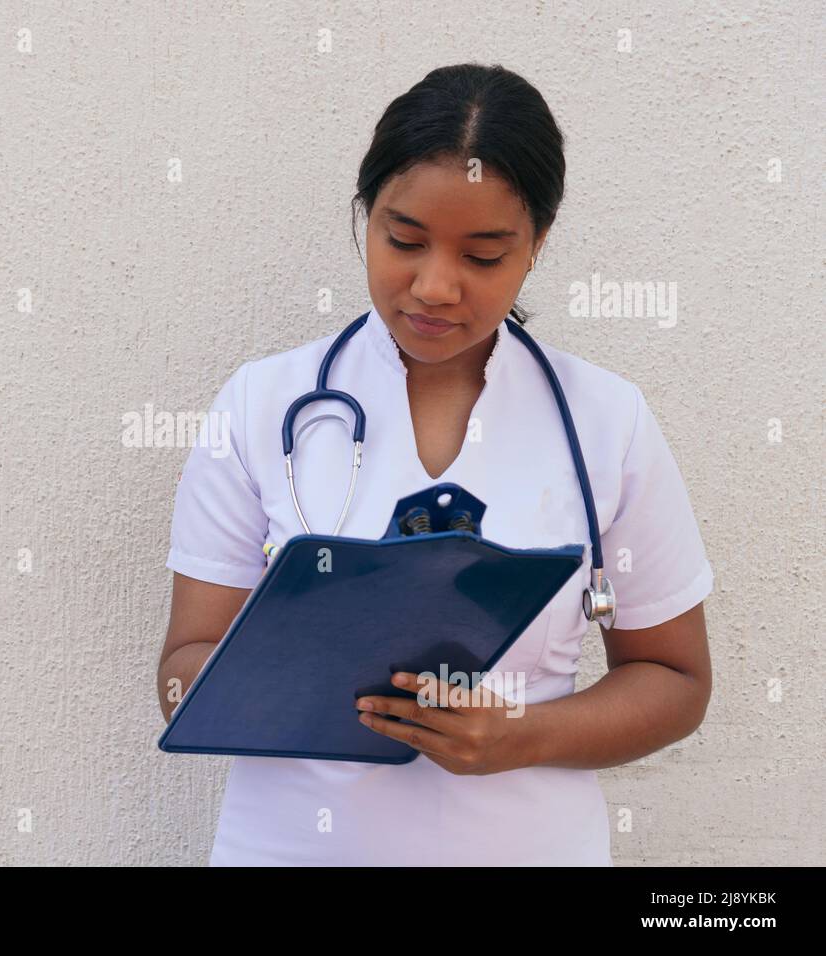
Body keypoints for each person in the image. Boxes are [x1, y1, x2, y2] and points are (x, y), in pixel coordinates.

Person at [154, 63, 713, 866]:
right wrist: (300, 676)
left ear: (538, 245)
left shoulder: (607, 420)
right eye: (403, 240)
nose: (436, 286)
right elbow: (183, 668)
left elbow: (674, 679)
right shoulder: (259, 405)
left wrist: (521, 734)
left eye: (484, 256)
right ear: (364, 216)